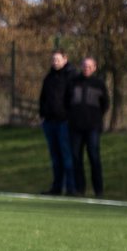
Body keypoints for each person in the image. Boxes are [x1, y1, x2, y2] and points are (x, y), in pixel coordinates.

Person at [68, 56, 109, 197]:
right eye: (84, 66)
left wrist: (95, 118)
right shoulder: (73, 83)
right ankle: (80, 189)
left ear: (94, 68)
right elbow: (66, 102)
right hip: (75, 127)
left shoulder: (99, 84)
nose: (87, 69)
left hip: (93, 127)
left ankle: (99, 190)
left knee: (94, 157)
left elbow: (105, 104)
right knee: (76, 158)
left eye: (89, 66)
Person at [39, 50, 78, 196]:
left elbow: (73, 99)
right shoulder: (49, 77)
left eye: (57, 59)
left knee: (67, 156)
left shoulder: (72, 76)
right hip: (49, 122)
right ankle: (56, 187)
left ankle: (71, 188)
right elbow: (43, 98)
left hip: (64, 122)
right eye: (53, 59)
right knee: (55, 158)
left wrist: (69, 116)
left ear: (65, 59)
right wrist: (42, 115)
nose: (55, 62)